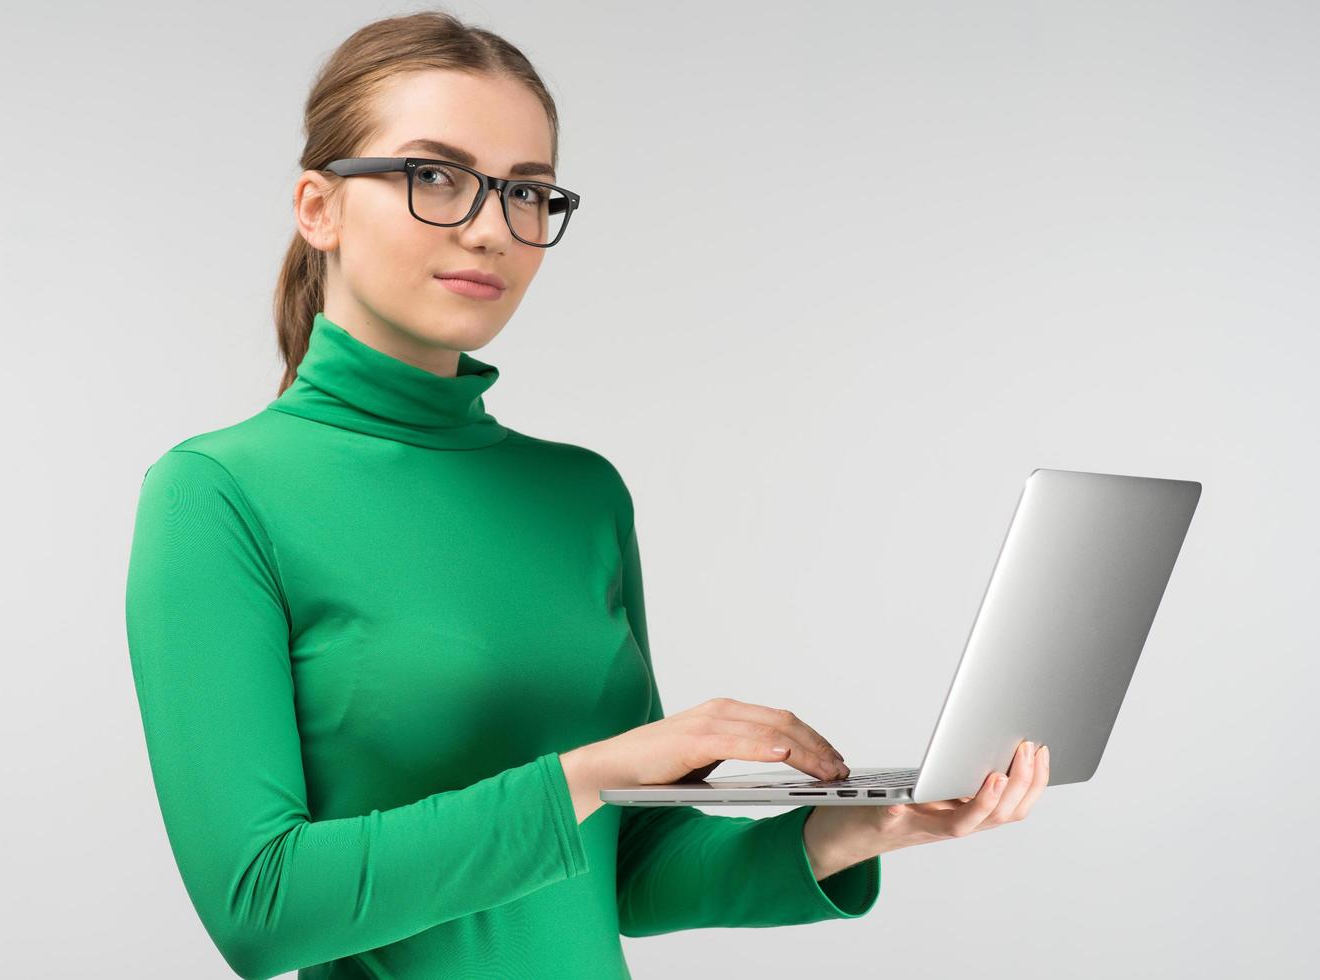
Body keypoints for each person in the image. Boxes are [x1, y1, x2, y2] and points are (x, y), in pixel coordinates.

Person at [123, 10, 1049, 980]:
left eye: (524, 191)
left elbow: (625, 870)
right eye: (434, 176)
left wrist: (858, 827)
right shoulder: (218, 494)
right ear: (319, 207)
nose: (490, 228)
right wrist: (594, 770)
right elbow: (259, 907)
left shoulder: (579, 492)